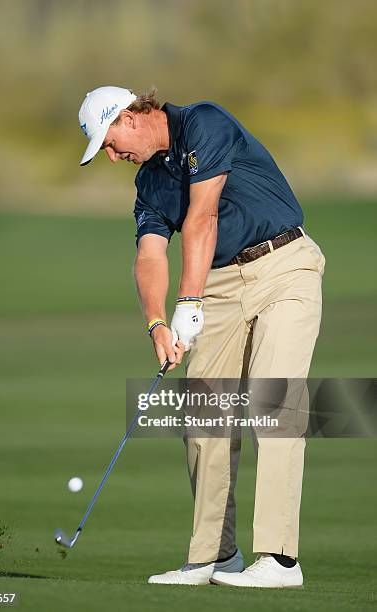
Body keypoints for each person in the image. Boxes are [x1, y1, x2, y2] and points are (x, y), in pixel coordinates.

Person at [78, 86, 325, 588]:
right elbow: (149, 255)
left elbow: (202, 216)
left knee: (272, 402)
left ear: (130, 115)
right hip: (218, 284)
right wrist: (156, 322)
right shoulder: (148, 181)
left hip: (284, 266)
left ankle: (280, 560)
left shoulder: (204, 123)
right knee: (203, 416)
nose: (111, 155)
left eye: (109, 140)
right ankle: (217, 555)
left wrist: (188, 301)